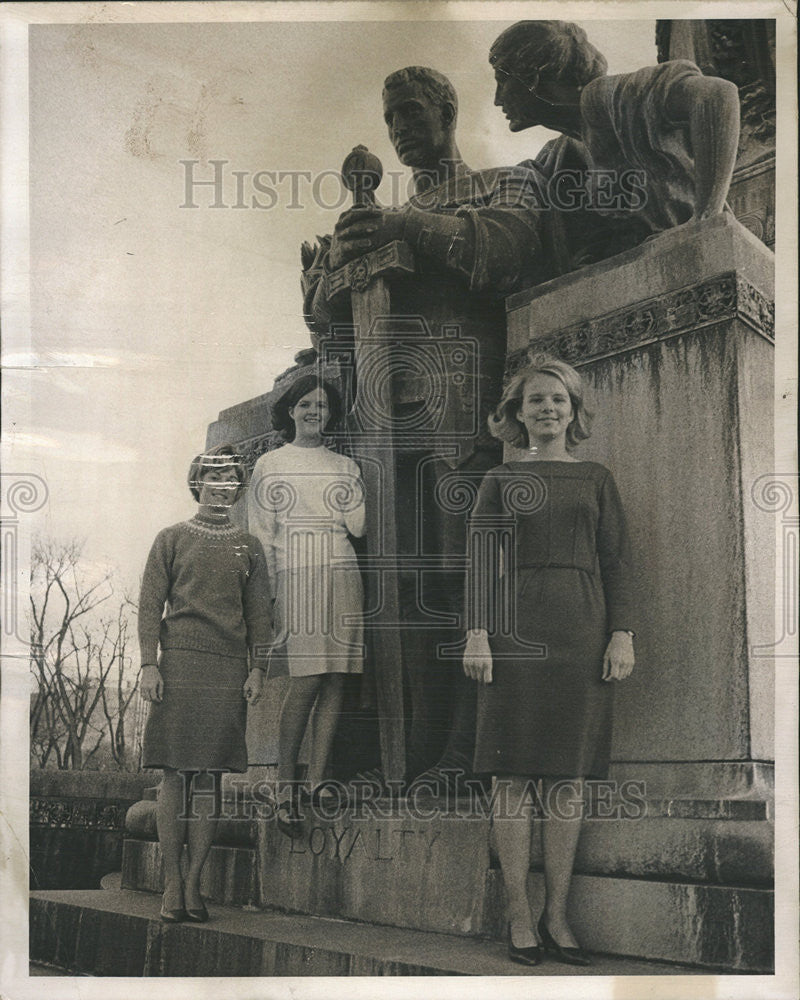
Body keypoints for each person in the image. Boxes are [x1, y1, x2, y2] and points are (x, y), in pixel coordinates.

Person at [303, 67, 547, 796]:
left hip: (462, 411)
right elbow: (327, 326)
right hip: (383, 429)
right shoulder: (369, 220)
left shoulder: (500, 185)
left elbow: (509, 249)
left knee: (464, 579)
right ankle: (404, 754)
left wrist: (407, 226)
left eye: (413, 111)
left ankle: (468, 752)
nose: (402, 127)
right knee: (399, 584)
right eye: (391, 117)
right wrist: (329, 272)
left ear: (448, 111)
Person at [463, 357, 636, 966]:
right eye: (535, 401)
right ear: (516, 413)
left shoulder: (595, 477)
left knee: (568, 777)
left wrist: (622, 633)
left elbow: (616, 561)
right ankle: (517, 913)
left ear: (574, 409)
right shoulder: (500, 480)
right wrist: (477, 634)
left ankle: (556, 913)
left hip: (582, 629)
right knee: (511, 778)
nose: (548, 410)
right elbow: (482, 561)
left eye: (558, 400)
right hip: (513, 632)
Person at [488, 20, 741, 272]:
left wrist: (706, 218)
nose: (498, 99)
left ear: (532, 77)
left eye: (503, 80)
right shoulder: (567, 148)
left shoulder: (600, 98)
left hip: (699, 263)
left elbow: (716, 95)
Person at [138, 444, 269, 923]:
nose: (222, 485)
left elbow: (259, 615)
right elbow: (150, 604)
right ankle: (171, 882)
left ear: (238, 488)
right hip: (179, 664)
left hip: (228, 667)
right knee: (174, 773)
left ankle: (195, 884)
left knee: (211, 775)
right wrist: (148, 665)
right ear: (197, 482)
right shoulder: (170, 538)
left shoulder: (248, 546)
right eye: (213, 477)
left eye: (231, 478)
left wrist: (258, 668)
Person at [247, 375, 365, 831]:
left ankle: (317, 782)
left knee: (337, 677)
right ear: (291, 411)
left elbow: (356, 526)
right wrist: (270, 592)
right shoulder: (271, 465)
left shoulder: (345, 466)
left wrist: (358, 484)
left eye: (322, 405)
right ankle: (283, 789)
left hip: (343, 570)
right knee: (307, 680)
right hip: (298, 573)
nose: (315, 411)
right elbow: (261, 534)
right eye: (306, 404)